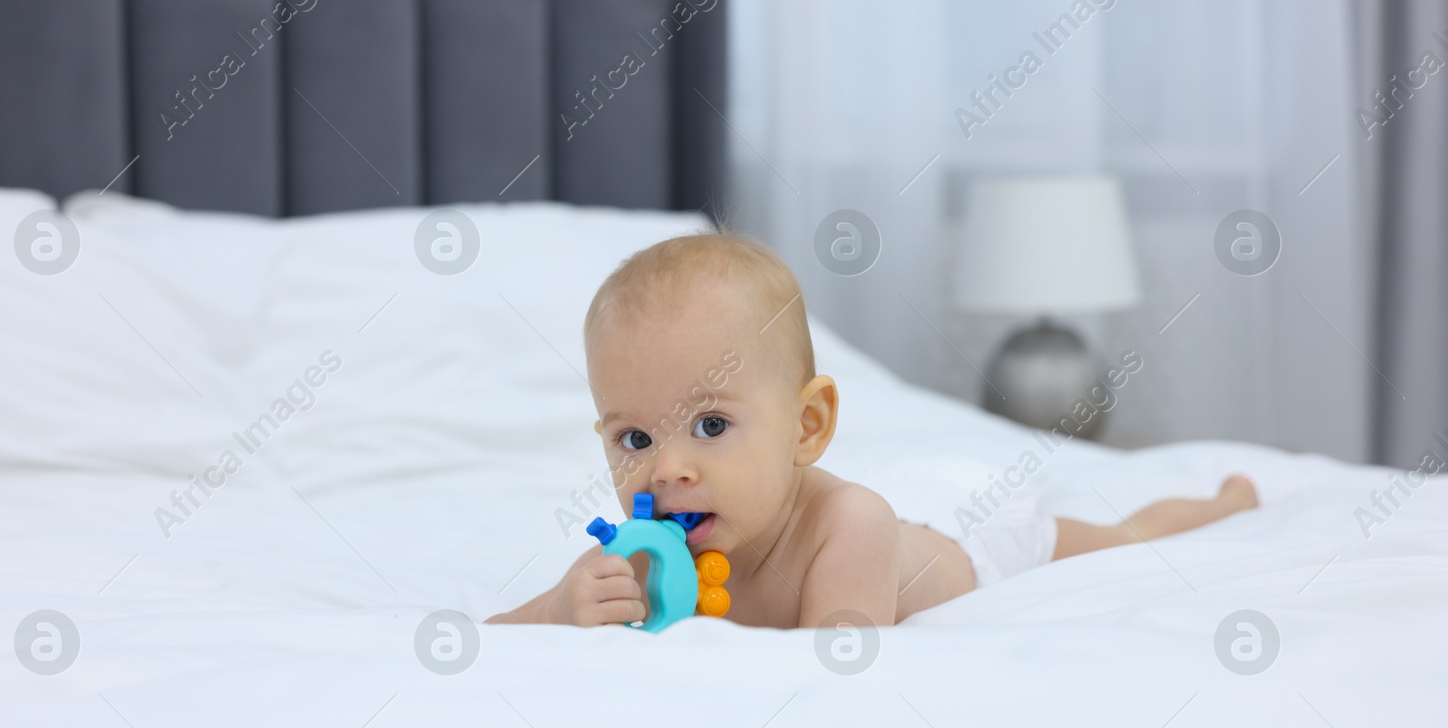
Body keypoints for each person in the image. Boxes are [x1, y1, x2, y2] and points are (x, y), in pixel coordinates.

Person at [486, 233, 1258, 628]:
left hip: (969, 532)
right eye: (634, 439)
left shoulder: (847, 528)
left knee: (1126, 539)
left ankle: (1218, 502)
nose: (667, 469)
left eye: (711, 423)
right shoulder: (637, 556)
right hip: (911, 508)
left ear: (808, 424)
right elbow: (496, 632)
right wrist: (558, 610)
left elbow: (840, 679)